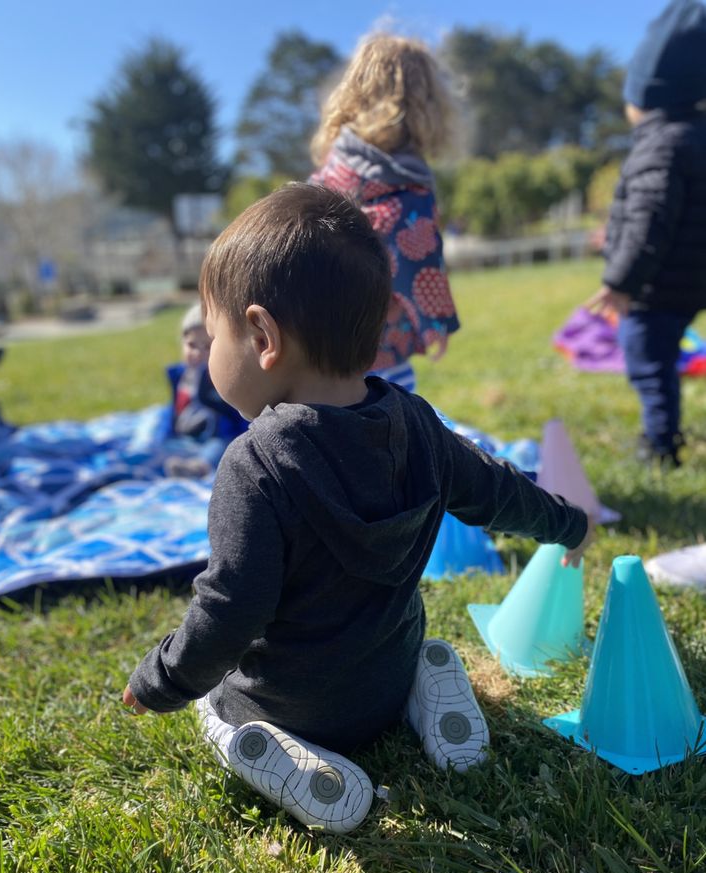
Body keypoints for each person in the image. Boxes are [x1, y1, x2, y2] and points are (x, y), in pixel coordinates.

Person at [122, 184, 593, 834]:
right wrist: (565, 521)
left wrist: (163, 679)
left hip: (294, 704)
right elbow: (494, 491)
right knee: (408, 647)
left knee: (219, 702)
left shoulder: (255, 465)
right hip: (386, 674)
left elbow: (230, 613)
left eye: (212, 333)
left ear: (261, 335)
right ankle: (422, 689)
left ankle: (275, 750)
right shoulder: (418, 424)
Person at [588, 0, 706, 467]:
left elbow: (648, 219)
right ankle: (664, 434)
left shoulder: (659, 145)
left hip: (655, 287)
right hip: (691, 278)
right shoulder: (694, 137)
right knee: (661, 358)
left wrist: (622, 281)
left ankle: (660, 446)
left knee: (649, 363)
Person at [310, 34, 458, 393]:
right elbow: (415, 258)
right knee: (387, 425)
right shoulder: (406, 184)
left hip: (318, 338)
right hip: (379, 346)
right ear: (427, 106)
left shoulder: (334, 167)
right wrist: (435, 323)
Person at [163, 303, 247, 476]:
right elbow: (176, 407)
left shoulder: (224, 377)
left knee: (217, 448)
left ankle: (198, 468)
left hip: (216, 436)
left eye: (206, 347)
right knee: (163, 444)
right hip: (185, 437)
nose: (198, 353)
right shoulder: (181, 376)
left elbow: (239, 413)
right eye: (192, 345)